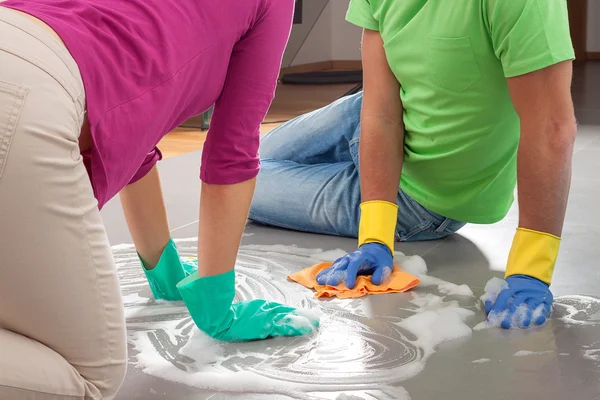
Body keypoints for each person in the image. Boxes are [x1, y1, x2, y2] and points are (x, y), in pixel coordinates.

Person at [0, 0, 318, 399]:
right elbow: (231, 152)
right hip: (30, 97)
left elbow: (135, 140)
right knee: (87, 377)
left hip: (15, 43)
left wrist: (163, 266)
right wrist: (217, 304)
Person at [249, 0, 577, 330]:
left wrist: (532, 267)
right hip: (376, 116)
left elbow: (550, 128)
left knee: (245, 183)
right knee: (247, 160)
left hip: (426, 195)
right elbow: (380, 110)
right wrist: (375, 235)